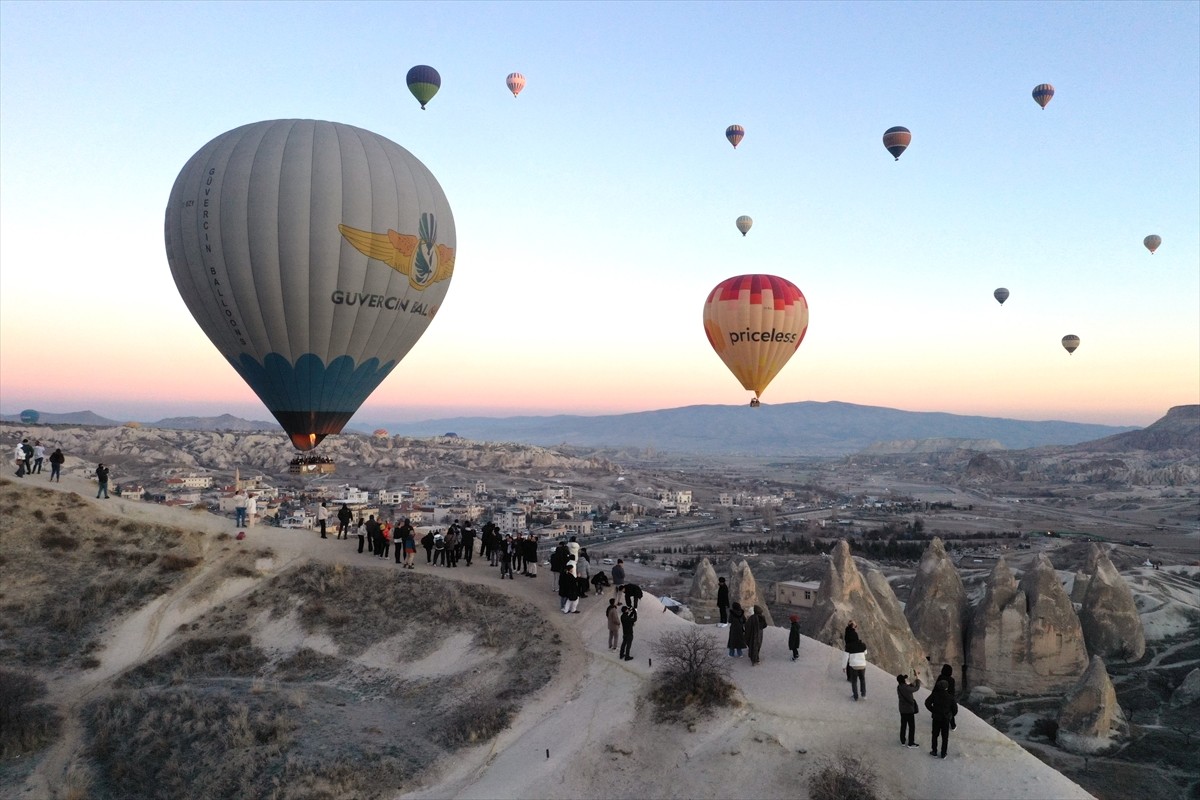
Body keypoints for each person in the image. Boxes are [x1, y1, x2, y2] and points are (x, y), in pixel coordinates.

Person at [925, 679, 958, 759]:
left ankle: (934, 751)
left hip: (936, 718)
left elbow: (927, 703)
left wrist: (933, 710)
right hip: (945, 719)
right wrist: (950, 715)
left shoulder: (935, 694)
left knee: (935, 735)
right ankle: (943, 753)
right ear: (947, 687)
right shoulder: (950, 697)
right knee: (945, 737)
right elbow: (955, 709)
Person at [897, 673, 922, 748]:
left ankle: (903, 741)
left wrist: (911, 683)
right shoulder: (906, 688)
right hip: (909, 710)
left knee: (903, 725)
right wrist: (917, 680)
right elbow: (916, 688)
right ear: (903, 680)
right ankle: (911, 743)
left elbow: (908, 687)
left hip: (902, 709)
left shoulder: (899, 687)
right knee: (911, 726)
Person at [844, 636, 868, 700]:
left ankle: (855, 696)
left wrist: (844, 667)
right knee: (862, 679)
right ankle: (863, 694)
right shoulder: (863, 645)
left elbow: (845, 657)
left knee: (854, 681)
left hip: (854, 666)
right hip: (862, 665)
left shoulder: (849, 646)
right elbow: (865, 652)